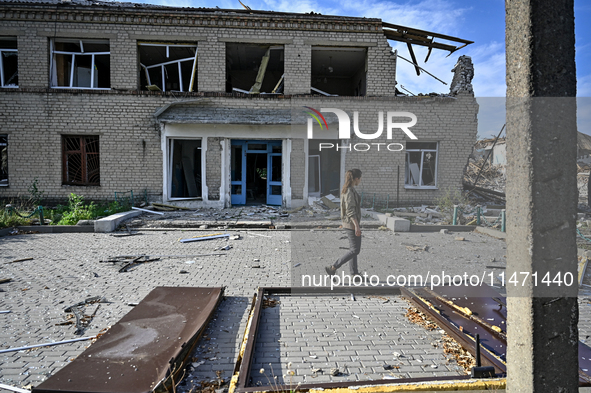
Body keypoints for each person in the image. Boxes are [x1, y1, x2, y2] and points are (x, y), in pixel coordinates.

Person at [326, 168, 362, 277]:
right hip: (351, 223)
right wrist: (356, 226)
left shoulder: (347, 189)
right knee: (355, 250)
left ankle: (354, 273)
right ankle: (333, 267)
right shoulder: (349, 191)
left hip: (349, 223)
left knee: (353, 249)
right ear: (356, 179)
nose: (360, 181)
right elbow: (350, 210)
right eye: (360, 179)